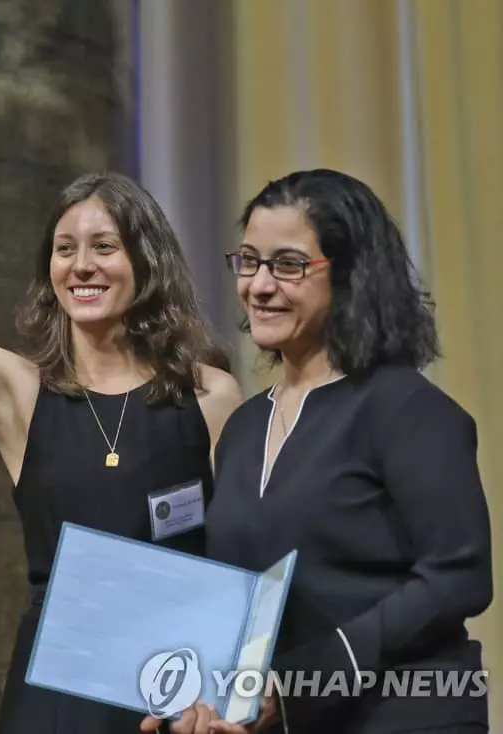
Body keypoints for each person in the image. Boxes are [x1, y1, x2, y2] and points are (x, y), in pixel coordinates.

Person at [0, 42, 243, 733]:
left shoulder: (210, 394)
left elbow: (240, 554)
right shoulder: (20, 392)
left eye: (104, 246)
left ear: (144, 263)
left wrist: (227, 694)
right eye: (66, 249)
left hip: (179, 693)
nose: (82, 265)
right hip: (58, 693)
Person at [143, 169, 493, 734]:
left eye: (288, 265)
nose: (259, 285)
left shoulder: (406, 408)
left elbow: (459, 577)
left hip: (408, 714)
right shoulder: (244, 428)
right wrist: (197, 698)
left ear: (351, 274)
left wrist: (303, 680)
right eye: (249, 261)